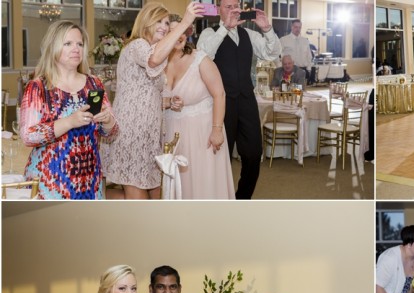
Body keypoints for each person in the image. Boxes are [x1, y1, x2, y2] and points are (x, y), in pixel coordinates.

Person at [102, 2, 202, 200]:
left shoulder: (153, 50)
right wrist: (185, 22)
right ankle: (91, 197)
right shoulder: (138, 45)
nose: (164, 26)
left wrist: (168, 102)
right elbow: (153, 60)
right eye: (159, 21)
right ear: (146, 22)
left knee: (156, 195)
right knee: (141, 200)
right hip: (132, 133)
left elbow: (145, 94)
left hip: (149, 136)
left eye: (167, 23)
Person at [19, 20, 118, 199]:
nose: (76, 49)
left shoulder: (94, 83)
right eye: (68, 43)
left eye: (80, 44)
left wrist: (108, 120)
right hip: (49, 183)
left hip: (89, 183)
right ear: (53, 47)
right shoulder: (38, 87)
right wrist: (69, 122)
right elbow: (28, 135)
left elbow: (111, 133)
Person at [197, 0, 281, 199]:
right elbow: (203, 56)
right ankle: (218, 198)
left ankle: (242, 198)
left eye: (236, 6)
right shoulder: (209, 33)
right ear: (219, 9)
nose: (234, 10)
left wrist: (267, 29)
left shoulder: (248, 34)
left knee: (253, 153)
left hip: (246, 100)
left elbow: (272, 53)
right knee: (220, 155)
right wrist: (225, 29)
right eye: (228, 6)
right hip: (220, 102)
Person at [163, 16, 234, 200]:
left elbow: (219, 94)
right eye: (172, 31)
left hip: (202, 132)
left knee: (204, 181)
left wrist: (217, 130)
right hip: (172, 133)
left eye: (181, 31)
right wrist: (167, 103)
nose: (178, 36)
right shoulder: (158, 64)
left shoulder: (200, 59)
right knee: (180, 182)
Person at [279, 19, 312, 85]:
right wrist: (281, 68)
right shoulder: (283, 40)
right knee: (288, 89)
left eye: (299, 27)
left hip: (302, 70)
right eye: (296, 27)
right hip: (289, 70)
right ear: (291, 27)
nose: (298, 29)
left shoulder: (305, 41)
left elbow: (309, 56)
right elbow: (279, 55)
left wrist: (309, 69)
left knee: (301, 90)